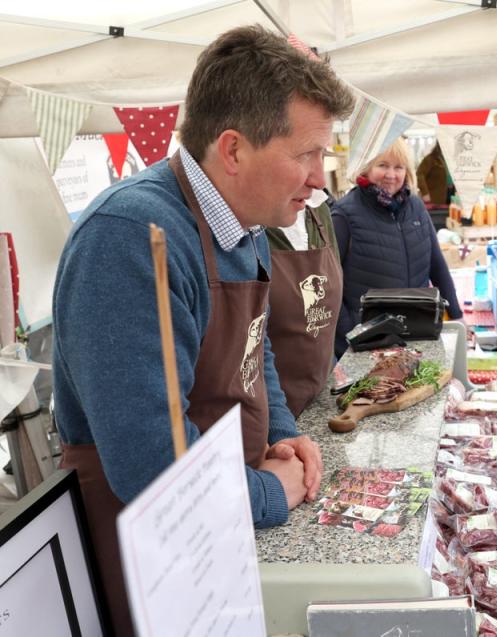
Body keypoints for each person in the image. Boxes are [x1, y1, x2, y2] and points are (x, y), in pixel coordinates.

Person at [52, 26, 355, 635]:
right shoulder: (132, 238)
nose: (321, 178)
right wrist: (273, 492)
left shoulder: (241, 224)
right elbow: (153, 470)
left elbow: (256, 346)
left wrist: (285, 437)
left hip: (228, 513)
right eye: (306, 154)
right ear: (234, 149)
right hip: (151, 549)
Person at [332, 138, 463, 357]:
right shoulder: (344, 214)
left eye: (398, 167)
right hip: (368, 340)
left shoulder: (416, 206)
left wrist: (456, 314)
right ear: (367, 167)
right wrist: (350, 332)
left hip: (419, 331)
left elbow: (436, 263)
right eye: (382, 165)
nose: (391, 175)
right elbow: (330, 285)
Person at [266, 189, 341, 417]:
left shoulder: (320, 210)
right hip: (275, 412)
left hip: (326, 396)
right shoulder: (254, 222)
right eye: (306, 155)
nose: (318, 178)